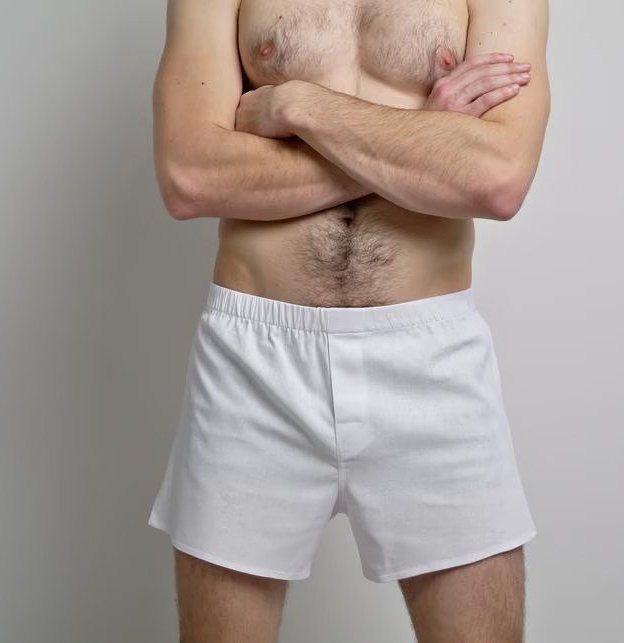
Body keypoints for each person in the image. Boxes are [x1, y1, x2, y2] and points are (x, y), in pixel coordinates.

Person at [147, 0, 550, 640]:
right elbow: (190, 177)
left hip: (432, 361)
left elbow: (495, 179)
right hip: (252, 365)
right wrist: (424, 135)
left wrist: (299, 105)